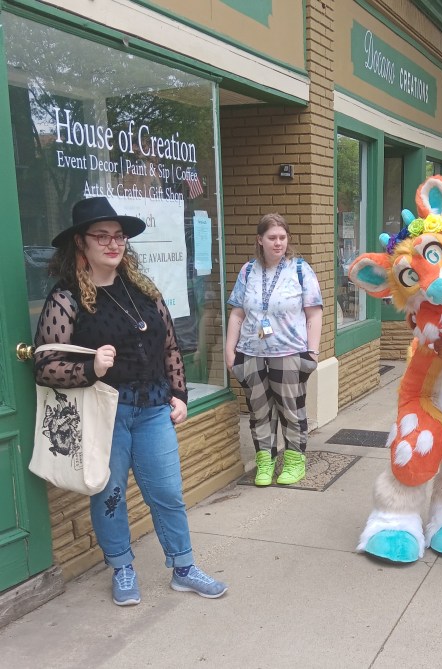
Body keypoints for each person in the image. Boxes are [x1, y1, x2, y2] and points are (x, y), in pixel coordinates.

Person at [34, 196, 228, 606]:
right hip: (106, 415)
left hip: (154, 408)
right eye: (101, 236)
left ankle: (183, 567)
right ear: (80, 244)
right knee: (109, 495)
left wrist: (178, 393)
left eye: (118, 236)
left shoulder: (142, 289)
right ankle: (122, 566)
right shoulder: (67, 298)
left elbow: (170, 346)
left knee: (168, 492)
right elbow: (45, 364)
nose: (112, 243)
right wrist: (92, 369)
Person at [226, 213, 323, 486]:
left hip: (290, 353)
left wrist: (312, 353)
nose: (278, 243)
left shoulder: (301, 270)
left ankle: (294, 462)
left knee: (291, 411)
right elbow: (237, 314)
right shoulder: (248, 271)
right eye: (272, 238)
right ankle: (265, 464)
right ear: (260, 240)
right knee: (258, 412)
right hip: (251, 353)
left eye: (282, 237)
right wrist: (230, 352)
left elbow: (314, 315)